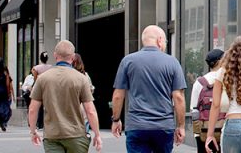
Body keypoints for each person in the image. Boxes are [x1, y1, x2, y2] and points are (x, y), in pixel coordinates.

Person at [111, 25, 187, 153]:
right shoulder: (172, 62)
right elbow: (178, 97)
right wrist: (181, 126)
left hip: (137, 125)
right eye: (165, 42)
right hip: (163, 126)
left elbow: (118, 95)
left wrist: (116, 120)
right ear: (160, 40)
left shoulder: (128, 61)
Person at [28, 40, 102, 153]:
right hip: (76, 135)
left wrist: (33, 132)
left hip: (52, 136)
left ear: (55, 55)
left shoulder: (43, 78)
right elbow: (90, 111)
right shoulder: (81, 78)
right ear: (73, 57)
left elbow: (33, 109)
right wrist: (97, 134)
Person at [190, 49, 225, 153]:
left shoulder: (200, 82)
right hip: (224, 131)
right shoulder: (227, 80)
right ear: (220, 61)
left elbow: (194, 109)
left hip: (203, 133)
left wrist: (197, 133)